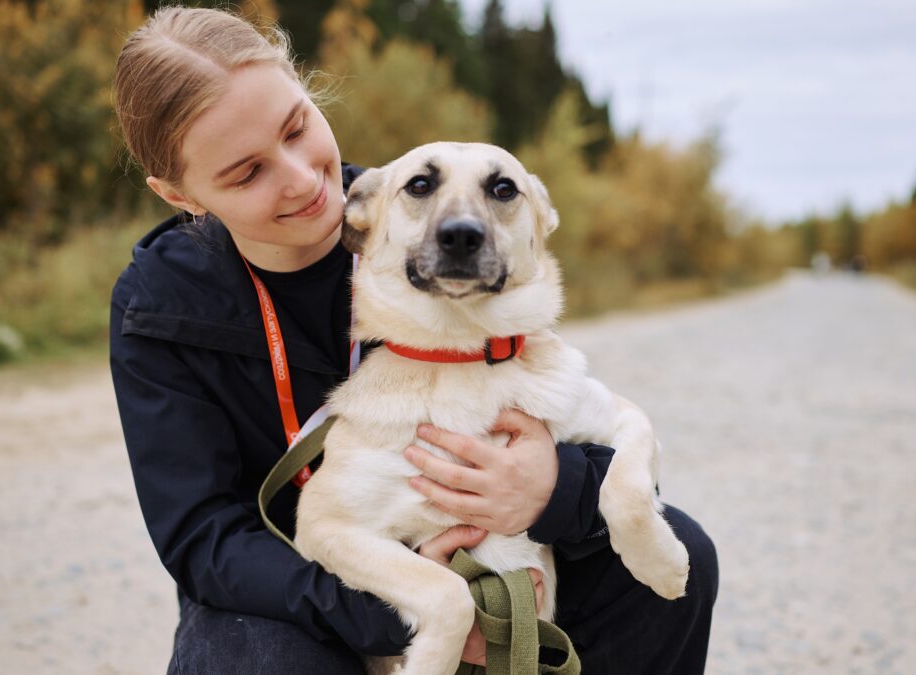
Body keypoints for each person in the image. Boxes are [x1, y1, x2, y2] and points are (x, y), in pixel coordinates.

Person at [109, 6, 718, 674]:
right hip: (301, 588)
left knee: (680, 556)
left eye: (297, 127)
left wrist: (554, 487)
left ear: (306, 91)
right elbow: (203, 537)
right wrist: (402, 609)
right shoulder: (159, 305)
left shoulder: (421, 217)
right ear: (178, 193)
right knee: (261, 661)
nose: (304, 179)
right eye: (247, 172)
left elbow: (557, 403)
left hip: (484, 554)